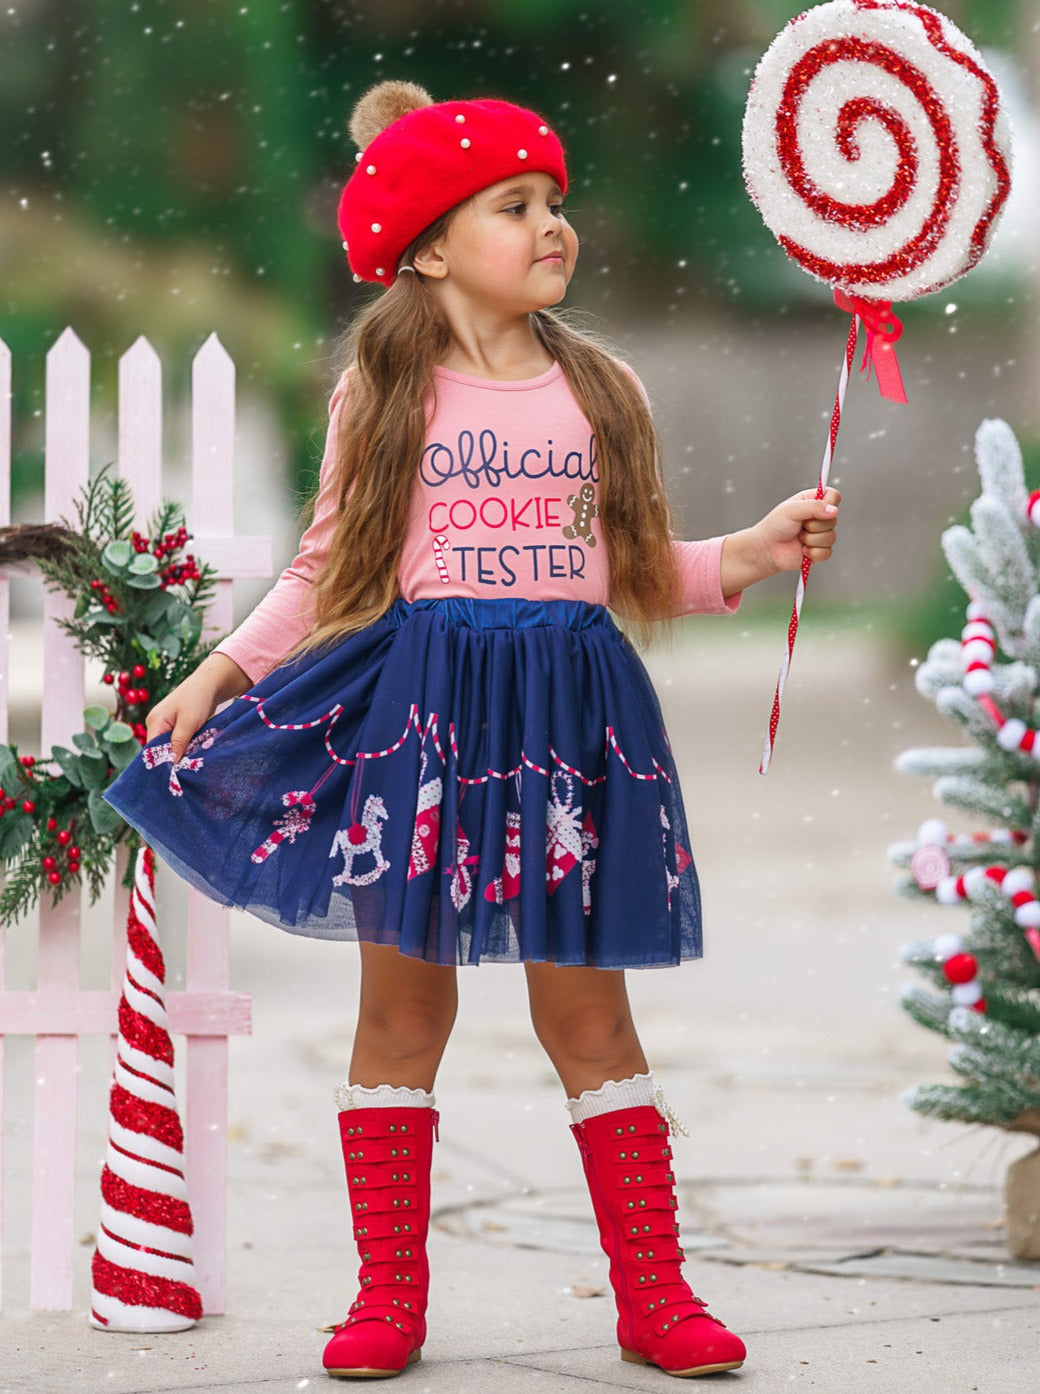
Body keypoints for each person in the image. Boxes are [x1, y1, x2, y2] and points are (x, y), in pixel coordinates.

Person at [104, 80, 840, 1382]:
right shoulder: (383, 394)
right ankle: (387, 1294)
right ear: (432, 246)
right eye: (516, 206)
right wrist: (219, 671)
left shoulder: (600, 389)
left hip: (568, 724)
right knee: (402, 1010)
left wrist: (751, 553)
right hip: (431, 725)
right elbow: (326, 569)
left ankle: (655, 1292)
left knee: (591, 1018)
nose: (553, 225)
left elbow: (618, 569)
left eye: (556, 202)